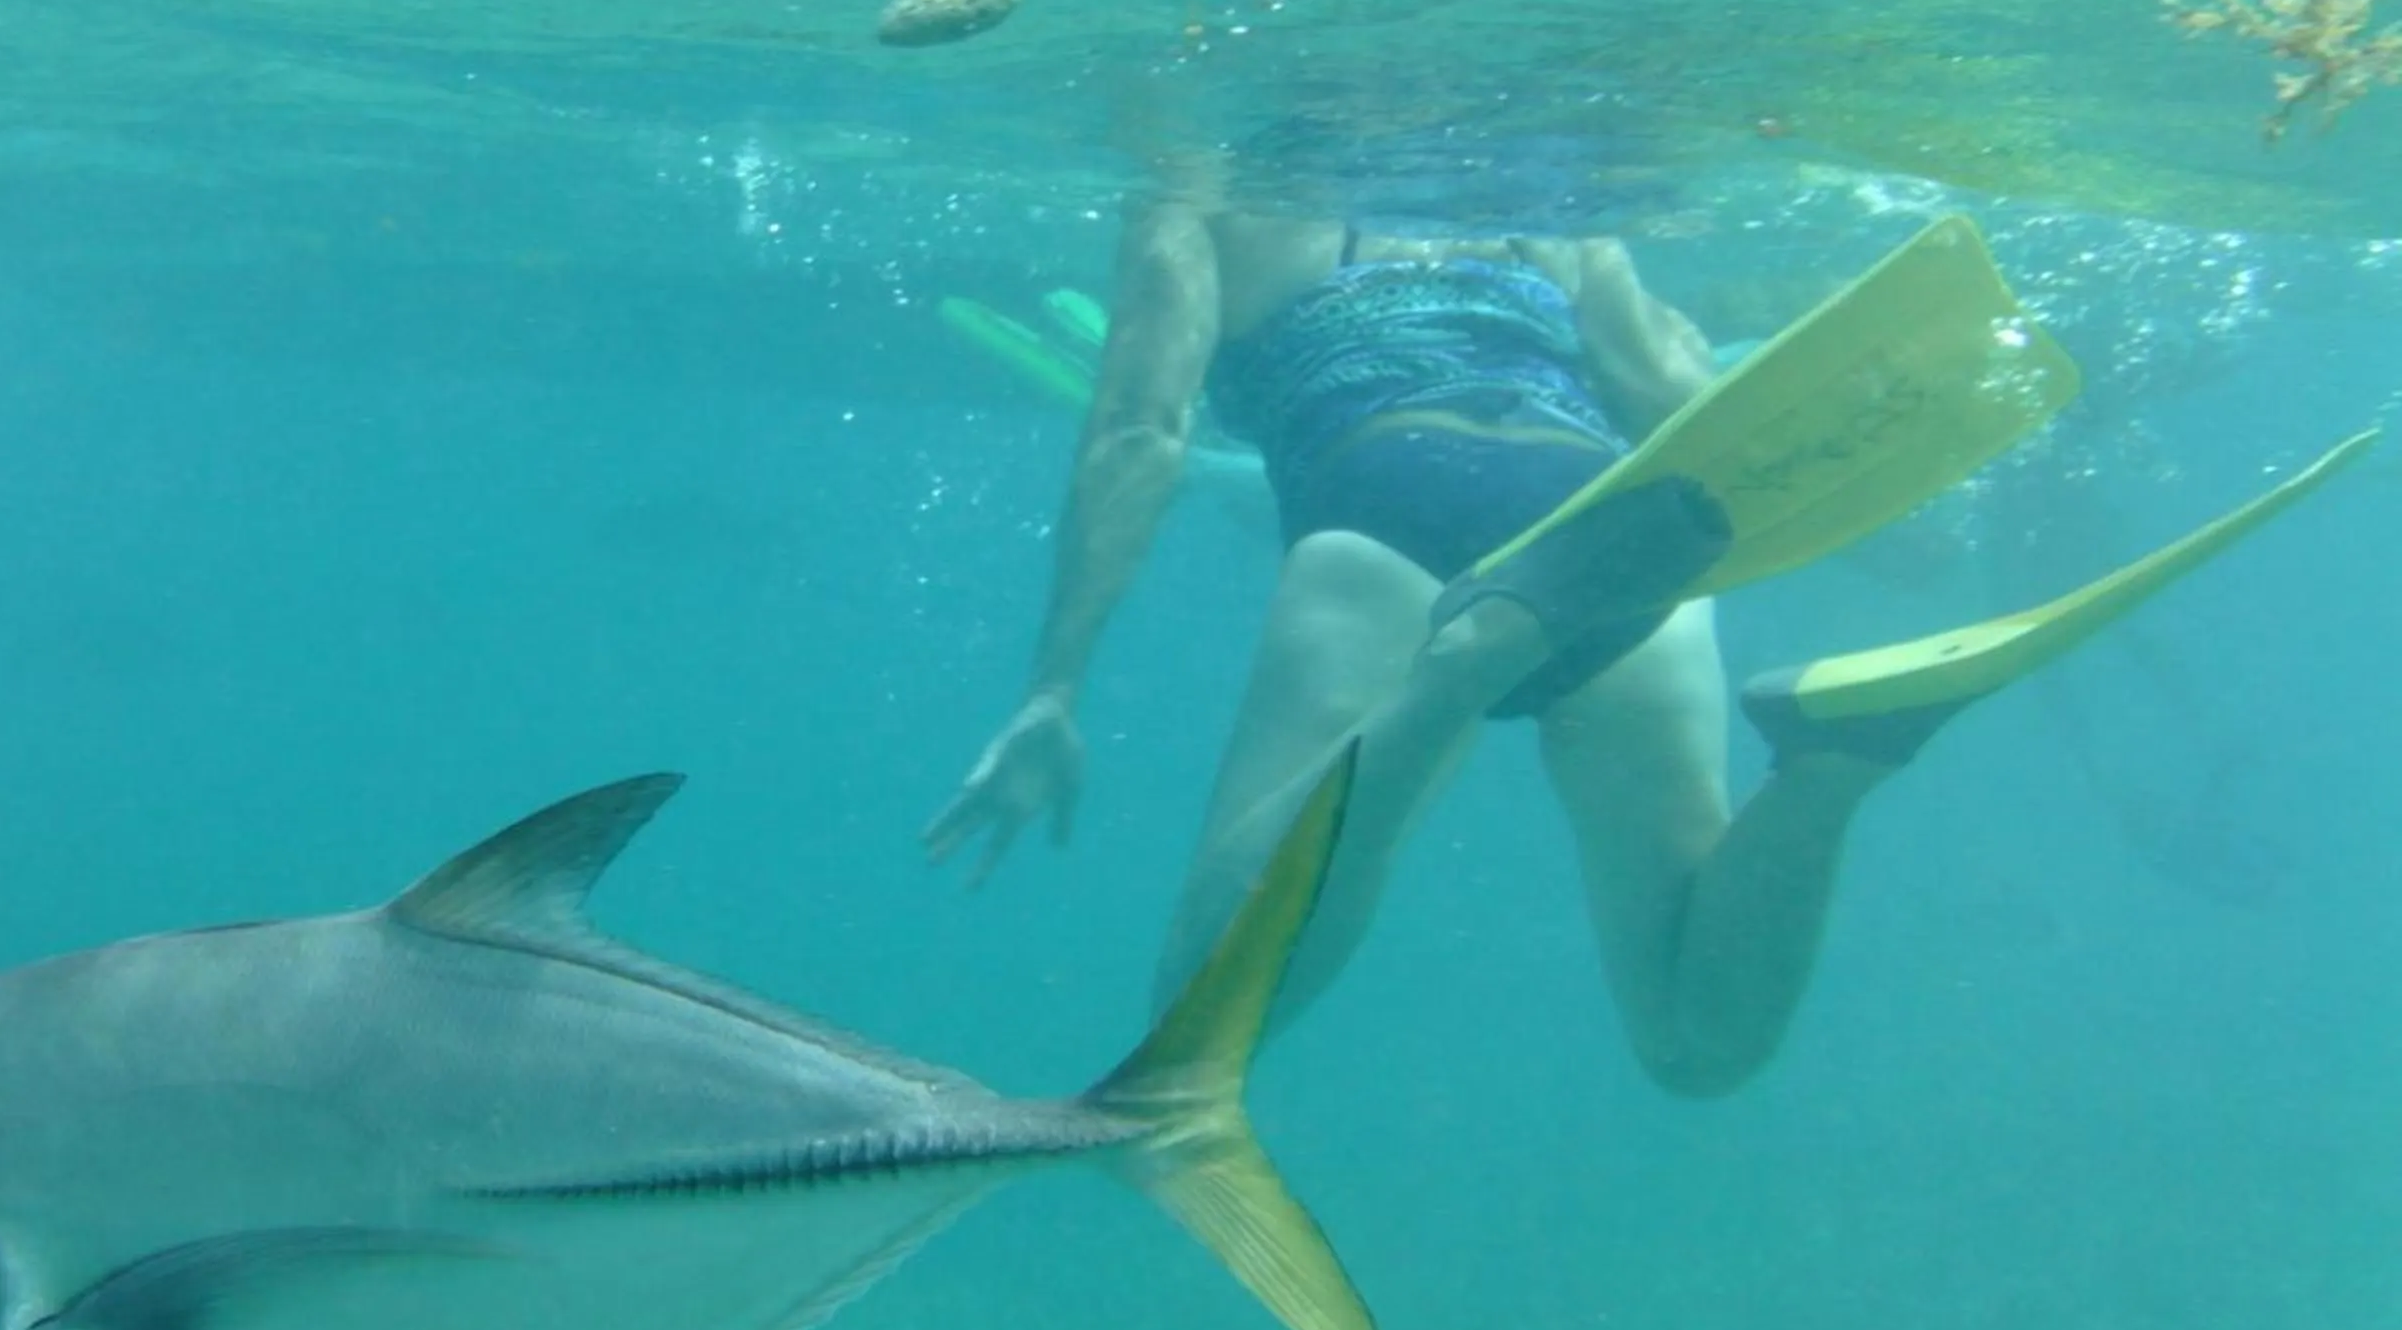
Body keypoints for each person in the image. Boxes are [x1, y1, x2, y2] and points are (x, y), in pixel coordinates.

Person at [922, 138, 2363, 1097]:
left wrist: (1054, 686)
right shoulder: (1550, 208)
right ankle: (1832, 766)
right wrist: (1898, 535)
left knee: (1203, 1010)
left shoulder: (1208, 186)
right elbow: (1696, 406)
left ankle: (1452, 680)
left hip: (1384, 507)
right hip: (1620, 526)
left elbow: (1137, 428)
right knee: (1695, 1041)